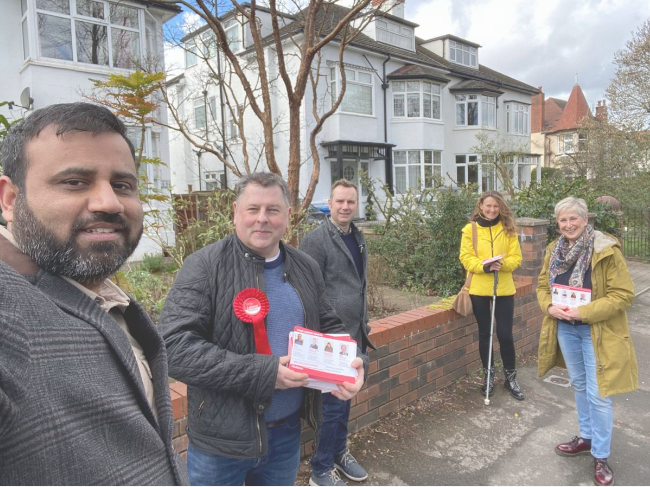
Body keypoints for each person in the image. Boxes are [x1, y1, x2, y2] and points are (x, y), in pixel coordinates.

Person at [0, 103, 188, 485]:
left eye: (122, 185)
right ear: (9, 198)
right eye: (75, 182)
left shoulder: (101, 294)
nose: (109, 203)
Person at [158, 172, 367, 486]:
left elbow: (331, 325)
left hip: (284, 435)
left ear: (288, 215)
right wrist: (263, 373)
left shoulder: (304, 266)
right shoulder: (204, 265)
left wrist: (355, 362)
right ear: (236, 212)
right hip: (221, 442)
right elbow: (173, 347)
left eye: (272, 210)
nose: (262, 219)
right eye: (252, 209)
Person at [537, 197, 637, 487]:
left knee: (600, 394)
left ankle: (601, 455)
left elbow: (623, 295)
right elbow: (543, 286)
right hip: (566, 328)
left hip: (597, 330)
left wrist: (584, 311)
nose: (568, 225)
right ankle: (586, 437)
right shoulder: (553, 250)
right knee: (579, 385)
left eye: (573, 219)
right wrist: (549, 308)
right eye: (563, 221)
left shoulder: (605, 249)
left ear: (584, 220)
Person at [300, 178, 374, 486]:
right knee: (331, 406)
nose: (345, 207)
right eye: (340, 201)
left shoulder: (357, 236)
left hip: (355, 333)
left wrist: (364, 322)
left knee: (345, 399)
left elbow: (359, 283)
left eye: (351, 202)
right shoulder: (315, 240)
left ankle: (339, 453)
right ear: (329, 204)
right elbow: (307, 289)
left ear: (356, 205)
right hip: (332, 338)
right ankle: (320, 469)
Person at [459, 191, 524, 400]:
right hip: (479, 288)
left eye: (496, 207)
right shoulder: (471, 229)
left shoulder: (508, 229)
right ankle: (488, 376)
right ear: (480, 206)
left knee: (505, 334)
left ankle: (510, 377)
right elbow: (466, 257)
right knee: (485, 334)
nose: (492, 210)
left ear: (501, 207)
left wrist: (502, 264)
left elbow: (516, 257)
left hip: (503, 289)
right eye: (488, 206)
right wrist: (484, 267)